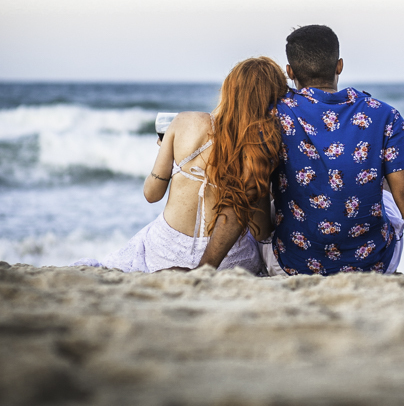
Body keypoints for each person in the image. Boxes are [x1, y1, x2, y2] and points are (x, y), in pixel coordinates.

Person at [200, 25, 404, 279]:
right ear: (339, 65)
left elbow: (248, 193)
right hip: (374, 265)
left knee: (268, 191)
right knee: (391, 191)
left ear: (290, 72)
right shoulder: (384, 115)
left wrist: (204, 270)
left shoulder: (273, 117)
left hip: (293, 265)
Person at [73, 57, 288, 273]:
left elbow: (151, 194)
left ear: (229, 90)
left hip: (166, 252)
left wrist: (168, 155)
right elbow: (261, 232)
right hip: (229, 258)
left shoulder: (185, 122)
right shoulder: (261, 147)